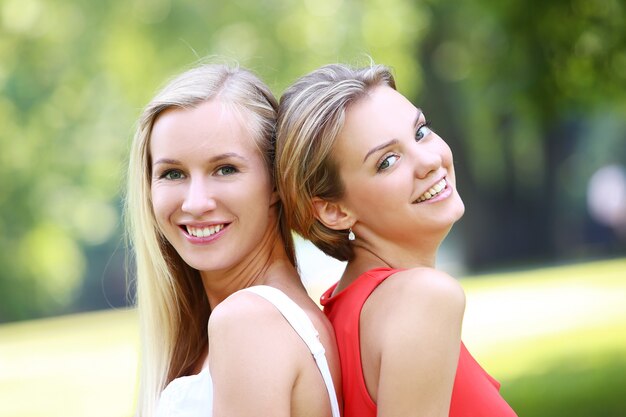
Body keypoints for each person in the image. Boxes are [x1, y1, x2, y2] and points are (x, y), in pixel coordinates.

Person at [275, 63, 517, 417]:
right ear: (333, 211)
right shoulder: (423, 298)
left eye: (420, 132)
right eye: (387, 161)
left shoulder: (342, 311)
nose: (430, 161)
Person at [126, 63, 341, 417]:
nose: (195, 203)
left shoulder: (250, 322)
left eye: (225, 169)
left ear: (275, 181)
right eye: (173, 173)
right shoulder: (262, 320)